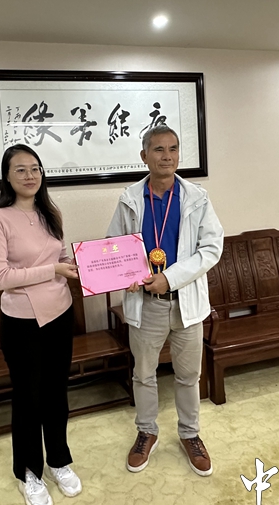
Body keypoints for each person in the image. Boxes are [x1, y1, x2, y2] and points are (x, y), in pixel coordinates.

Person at [107, 125, 224, 476]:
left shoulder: (197, 198)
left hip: (185, 301)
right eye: (158, 149)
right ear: (144, 156)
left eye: (173, 149)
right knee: (144, 374)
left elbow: (211, 248)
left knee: (188, 375)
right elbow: (114, 245)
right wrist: (124, 275)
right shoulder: (129, 199)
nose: (167, 156)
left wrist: (170, 278)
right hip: (147, 304)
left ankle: (190, 434)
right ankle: (147, 432)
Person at [0, 144, 81, 505]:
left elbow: (61, 257)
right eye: (20, 169)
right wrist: (53, 270)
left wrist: (83, 264)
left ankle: (58, 460)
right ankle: (29, 472)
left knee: (56, 394)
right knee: (28, 399)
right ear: (7, 177)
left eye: (35, 168)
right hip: (22, 322)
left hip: (60, 313)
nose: (30, 175)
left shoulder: (49, 212)